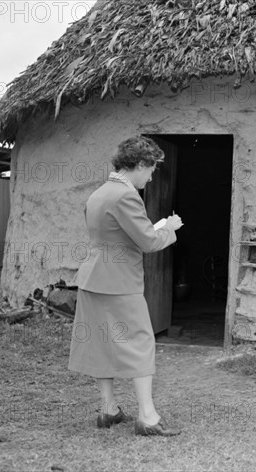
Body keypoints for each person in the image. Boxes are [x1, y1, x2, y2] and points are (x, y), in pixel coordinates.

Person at [68, 136, 183, 436]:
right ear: (140, 164)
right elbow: (147, 241)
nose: (152, 175)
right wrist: (169, 229)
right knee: (141, 343)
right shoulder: (127, 196)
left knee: (101, 343)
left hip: (93, 279)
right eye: (152, 168)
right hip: (119, 283)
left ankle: (108, 409)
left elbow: (115, 236)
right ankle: (147, 416)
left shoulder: (99, 194)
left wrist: (152, 227)